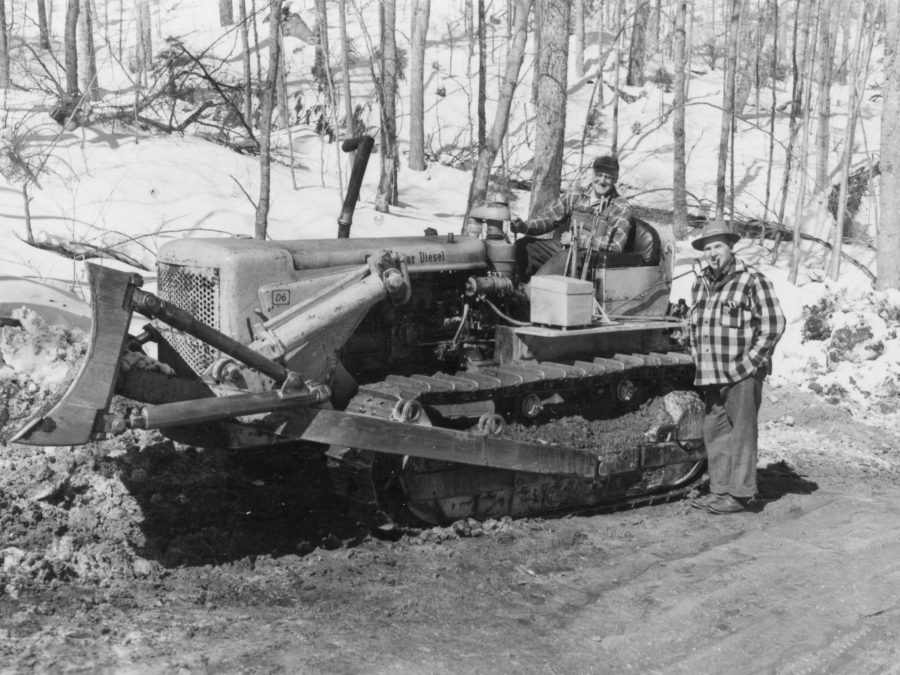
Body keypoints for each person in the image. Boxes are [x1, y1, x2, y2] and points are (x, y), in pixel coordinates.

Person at [687, 219, 785, 515]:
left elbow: (774, 325)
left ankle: (740, 495)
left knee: (742, 434)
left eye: (718, 246)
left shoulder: (752, 279)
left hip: (742, 374)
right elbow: (695, 324)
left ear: (731, 246)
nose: (712, 253)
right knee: (714, 432)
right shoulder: (700, 282)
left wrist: (750, 363)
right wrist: (696, 354)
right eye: (707, 248)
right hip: (712, 372)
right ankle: (720, 491)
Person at [509, 155, 633, 281]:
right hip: (562, 248)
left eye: (608, 177)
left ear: (616, 179)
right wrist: (524, 226)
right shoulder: (575, 196)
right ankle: (511, 288)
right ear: (593, 174)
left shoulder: (620, 207)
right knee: (523, 246)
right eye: (599, 174)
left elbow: (615, 245)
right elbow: (548, 218)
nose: (602, 181)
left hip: (589, 259)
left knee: (563, 258)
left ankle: (531, 294)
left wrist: (577, 240)